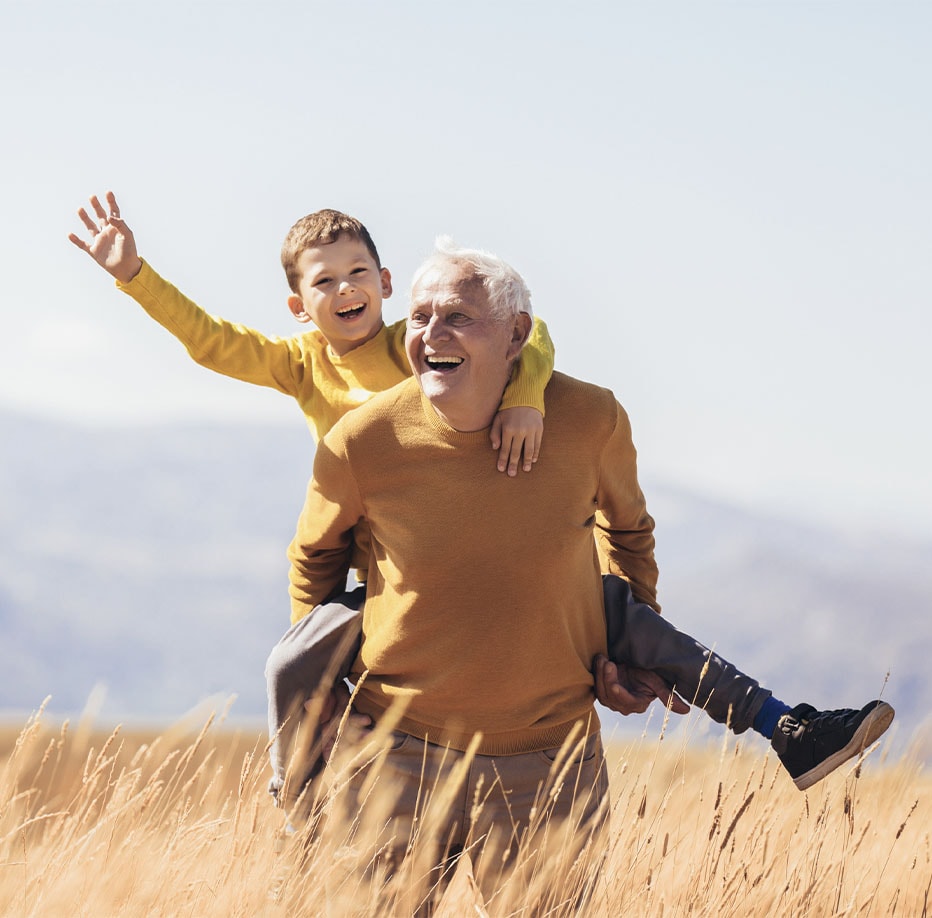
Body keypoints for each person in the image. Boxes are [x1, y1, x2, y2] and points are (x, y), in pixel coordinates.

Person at [285, 239, 894, 892]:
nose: (431, 332)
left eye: (457, 316)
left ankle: (788, 729)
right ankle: (787, 726)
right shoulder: (361, 442)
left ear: (517, 334)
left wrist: (623, 658)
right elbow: (313, 562)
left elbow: (628, 531)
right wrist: (327, 696)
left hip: (549, 767)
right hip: (396, 760)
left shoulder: (588, 419)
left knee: (611, 603)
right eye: (421, 315)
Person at [67, 191, 556, 799]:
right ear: (300, 306)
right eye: (326, 281)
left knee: (602, 615)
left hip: (460, 540)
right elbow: (210, 340)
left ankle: (698, 680)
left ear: (384, 281)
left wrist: (524, 400)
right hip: (374, 569)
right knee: (292, 665)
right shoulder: (302, 365)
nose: (346, 289)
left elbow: (531, 339)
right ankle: (297, 784)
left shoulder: (420, 342)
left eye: (357, 274)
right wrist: (135, 277)